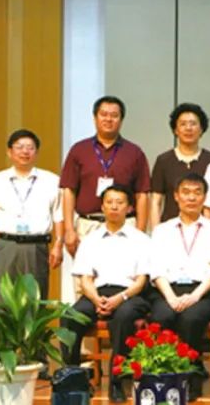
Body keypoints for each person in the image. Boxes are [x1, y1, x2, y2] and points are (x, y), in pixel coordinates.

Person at [62, 185, 152, 403]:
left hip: (130, 295)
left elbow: (141, 280)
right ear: (102, 206)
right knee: (69, 318)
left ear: (129, 208)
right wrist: (96, 299)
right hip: (97, 293)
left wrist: (120, 299)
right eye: (109, 202)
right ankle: (73, 378)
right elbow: (85, 278)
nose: (114, 207)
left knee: (123, 318)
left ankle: (117, 382)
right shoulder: (91, 239)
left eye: (119, 203)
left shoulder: (141, 239)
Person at [60, 95, 151, 303]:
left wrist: (139, 231)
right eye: (104, 114)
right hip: (87, 225)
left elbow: (142, 193)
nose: (108, 119)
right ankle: (86, 324)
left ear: (121, 119)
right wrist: (69, 229)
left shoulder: (134, 152)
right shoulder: (79, 150)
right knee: (84, 284)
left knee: (123, 279)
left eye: (114, 115)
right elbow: (68, 191)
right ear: (95, 118)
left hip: (125, 226)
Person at [147, 173, 210, 398]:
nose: (191, 198)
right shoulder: (162, 230)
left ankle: (191, 379)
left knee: (192, 318)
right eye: (186, 192)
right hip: (167, 290)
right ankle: (164, 377)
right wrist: (171, 297)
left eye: (197, 193)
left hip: (202, 290)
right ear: (176, 196)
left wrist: (195, 296)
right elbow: (156, 268)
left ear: (204, 198)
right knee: (162, 317)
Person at [0, 129, 64, 300]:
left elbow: (58, 216)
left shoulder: (52, 181)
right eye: (19, 147)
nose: (25, 152)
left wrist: (58, 246)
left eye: (30, 147)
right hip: (7, 245)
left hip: (37, 246)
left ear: (36, 152)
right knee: (3, 299)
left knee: (35, 299)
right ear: (9, 152)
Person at [149, 103, 210, 227]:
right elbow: (156, 201)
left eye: (193, 124)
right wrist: (156, 231)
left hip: (203, 229)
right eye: (183, 124)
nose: (188, 128)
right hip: (171, 228)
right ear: (175, 130)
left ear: (201, 129)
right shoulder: (163, 160)